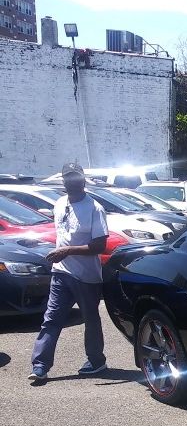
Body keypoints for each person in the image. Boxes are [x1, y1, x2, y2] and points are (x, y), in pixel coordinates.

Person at [28, 163, 109, 384]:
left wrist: (68, 251)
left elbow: (100, 246)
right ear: (63, 181)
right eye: (68, 178)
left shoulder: (94, 208)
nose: (72, 182)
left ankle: (96, 360)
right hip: (61, 273)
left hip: (87, 277)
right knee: (51, 319)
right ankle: (40, 366)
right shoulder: (59, 203)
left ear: (83, 180)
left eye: (76, 178)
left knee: (90, 319)